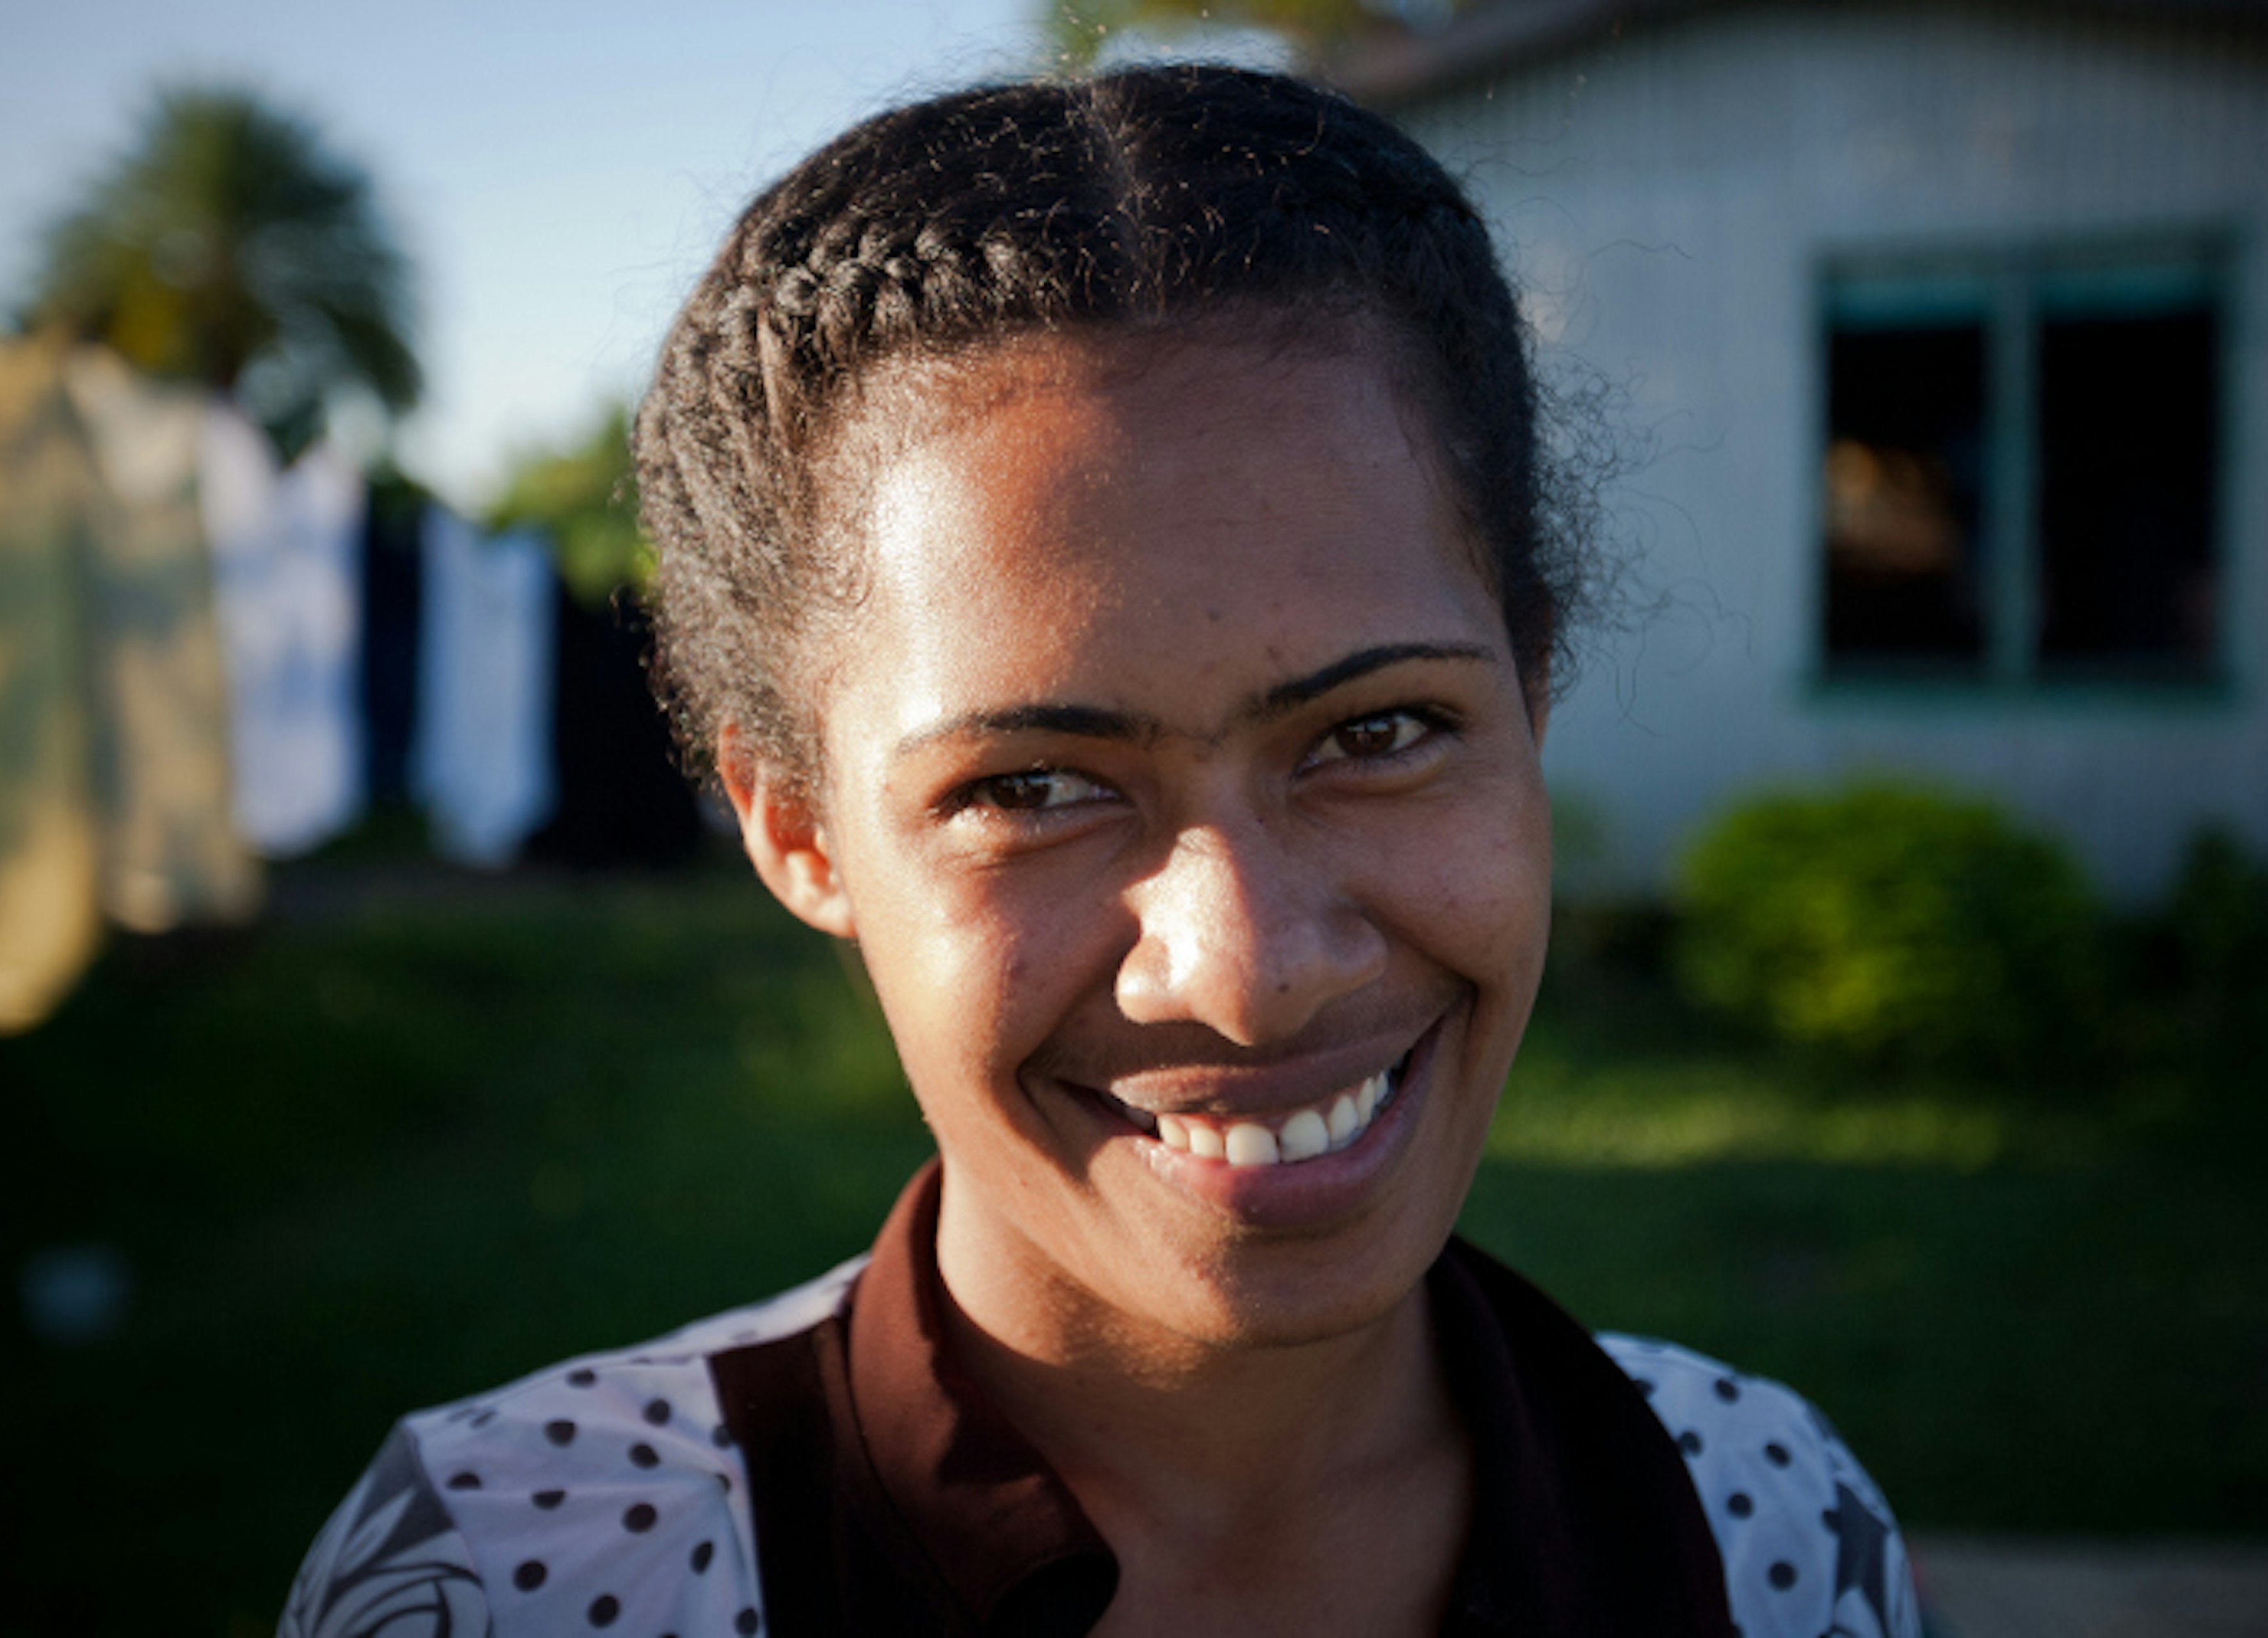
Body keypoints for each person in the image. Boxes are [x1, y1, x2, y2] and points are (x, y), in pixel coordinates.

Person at [282, 63, 1921, 1638]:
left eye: (1379, 733)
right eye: (1034, 785)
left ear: (1532, 694)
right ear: (796, 830)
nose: (1256, 968)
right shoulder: (518, 1576)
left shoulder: (1763, 1526)